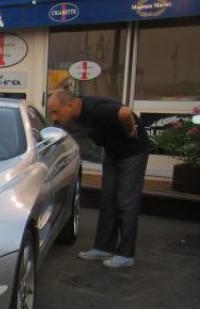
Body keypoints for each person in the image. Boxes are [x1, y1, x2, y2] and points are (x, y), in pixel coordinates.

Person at [47, 89, 151, 268]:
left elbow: (125, 112)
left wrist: (130, 130)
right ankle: (103, 248)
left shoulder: (96, 109)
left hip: (133, 152)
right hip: (113, 151)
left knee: (126, 201)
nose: (54, 117)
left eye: (56, 111)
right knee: (108, 198)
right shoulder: (75, 114)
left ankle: (126, 254)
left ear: (70, 104)